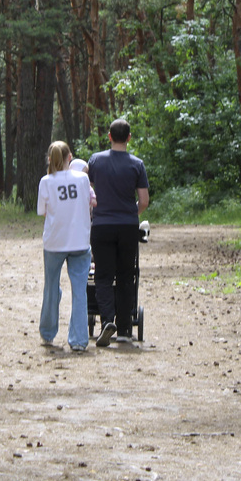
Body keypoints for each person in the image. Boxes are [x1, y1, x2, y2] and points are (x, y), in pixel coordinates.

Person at [87, 118, 149, 347]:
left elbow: (88, 188)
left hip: (102, 224)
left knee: (103, 275)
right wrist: (132, 211)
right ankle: (124, 328)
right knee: (125, 275)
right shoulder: (137, 164)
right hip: (127, 226)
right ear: (129, 137)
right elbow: (144, 200)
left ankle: (106, 321)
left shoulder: (96, 160)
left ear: (109, 136)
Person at [37, 141, 97, 353]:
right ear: (69, 158)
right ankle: (79, 340)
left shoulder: (46, 182)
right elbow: (90, 202)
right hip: (80, 241)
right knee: (80, 290)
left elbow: (42, 211)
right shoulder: (82, 179)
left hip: (54, 242)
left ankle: (47, 332)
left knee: (51, 286)